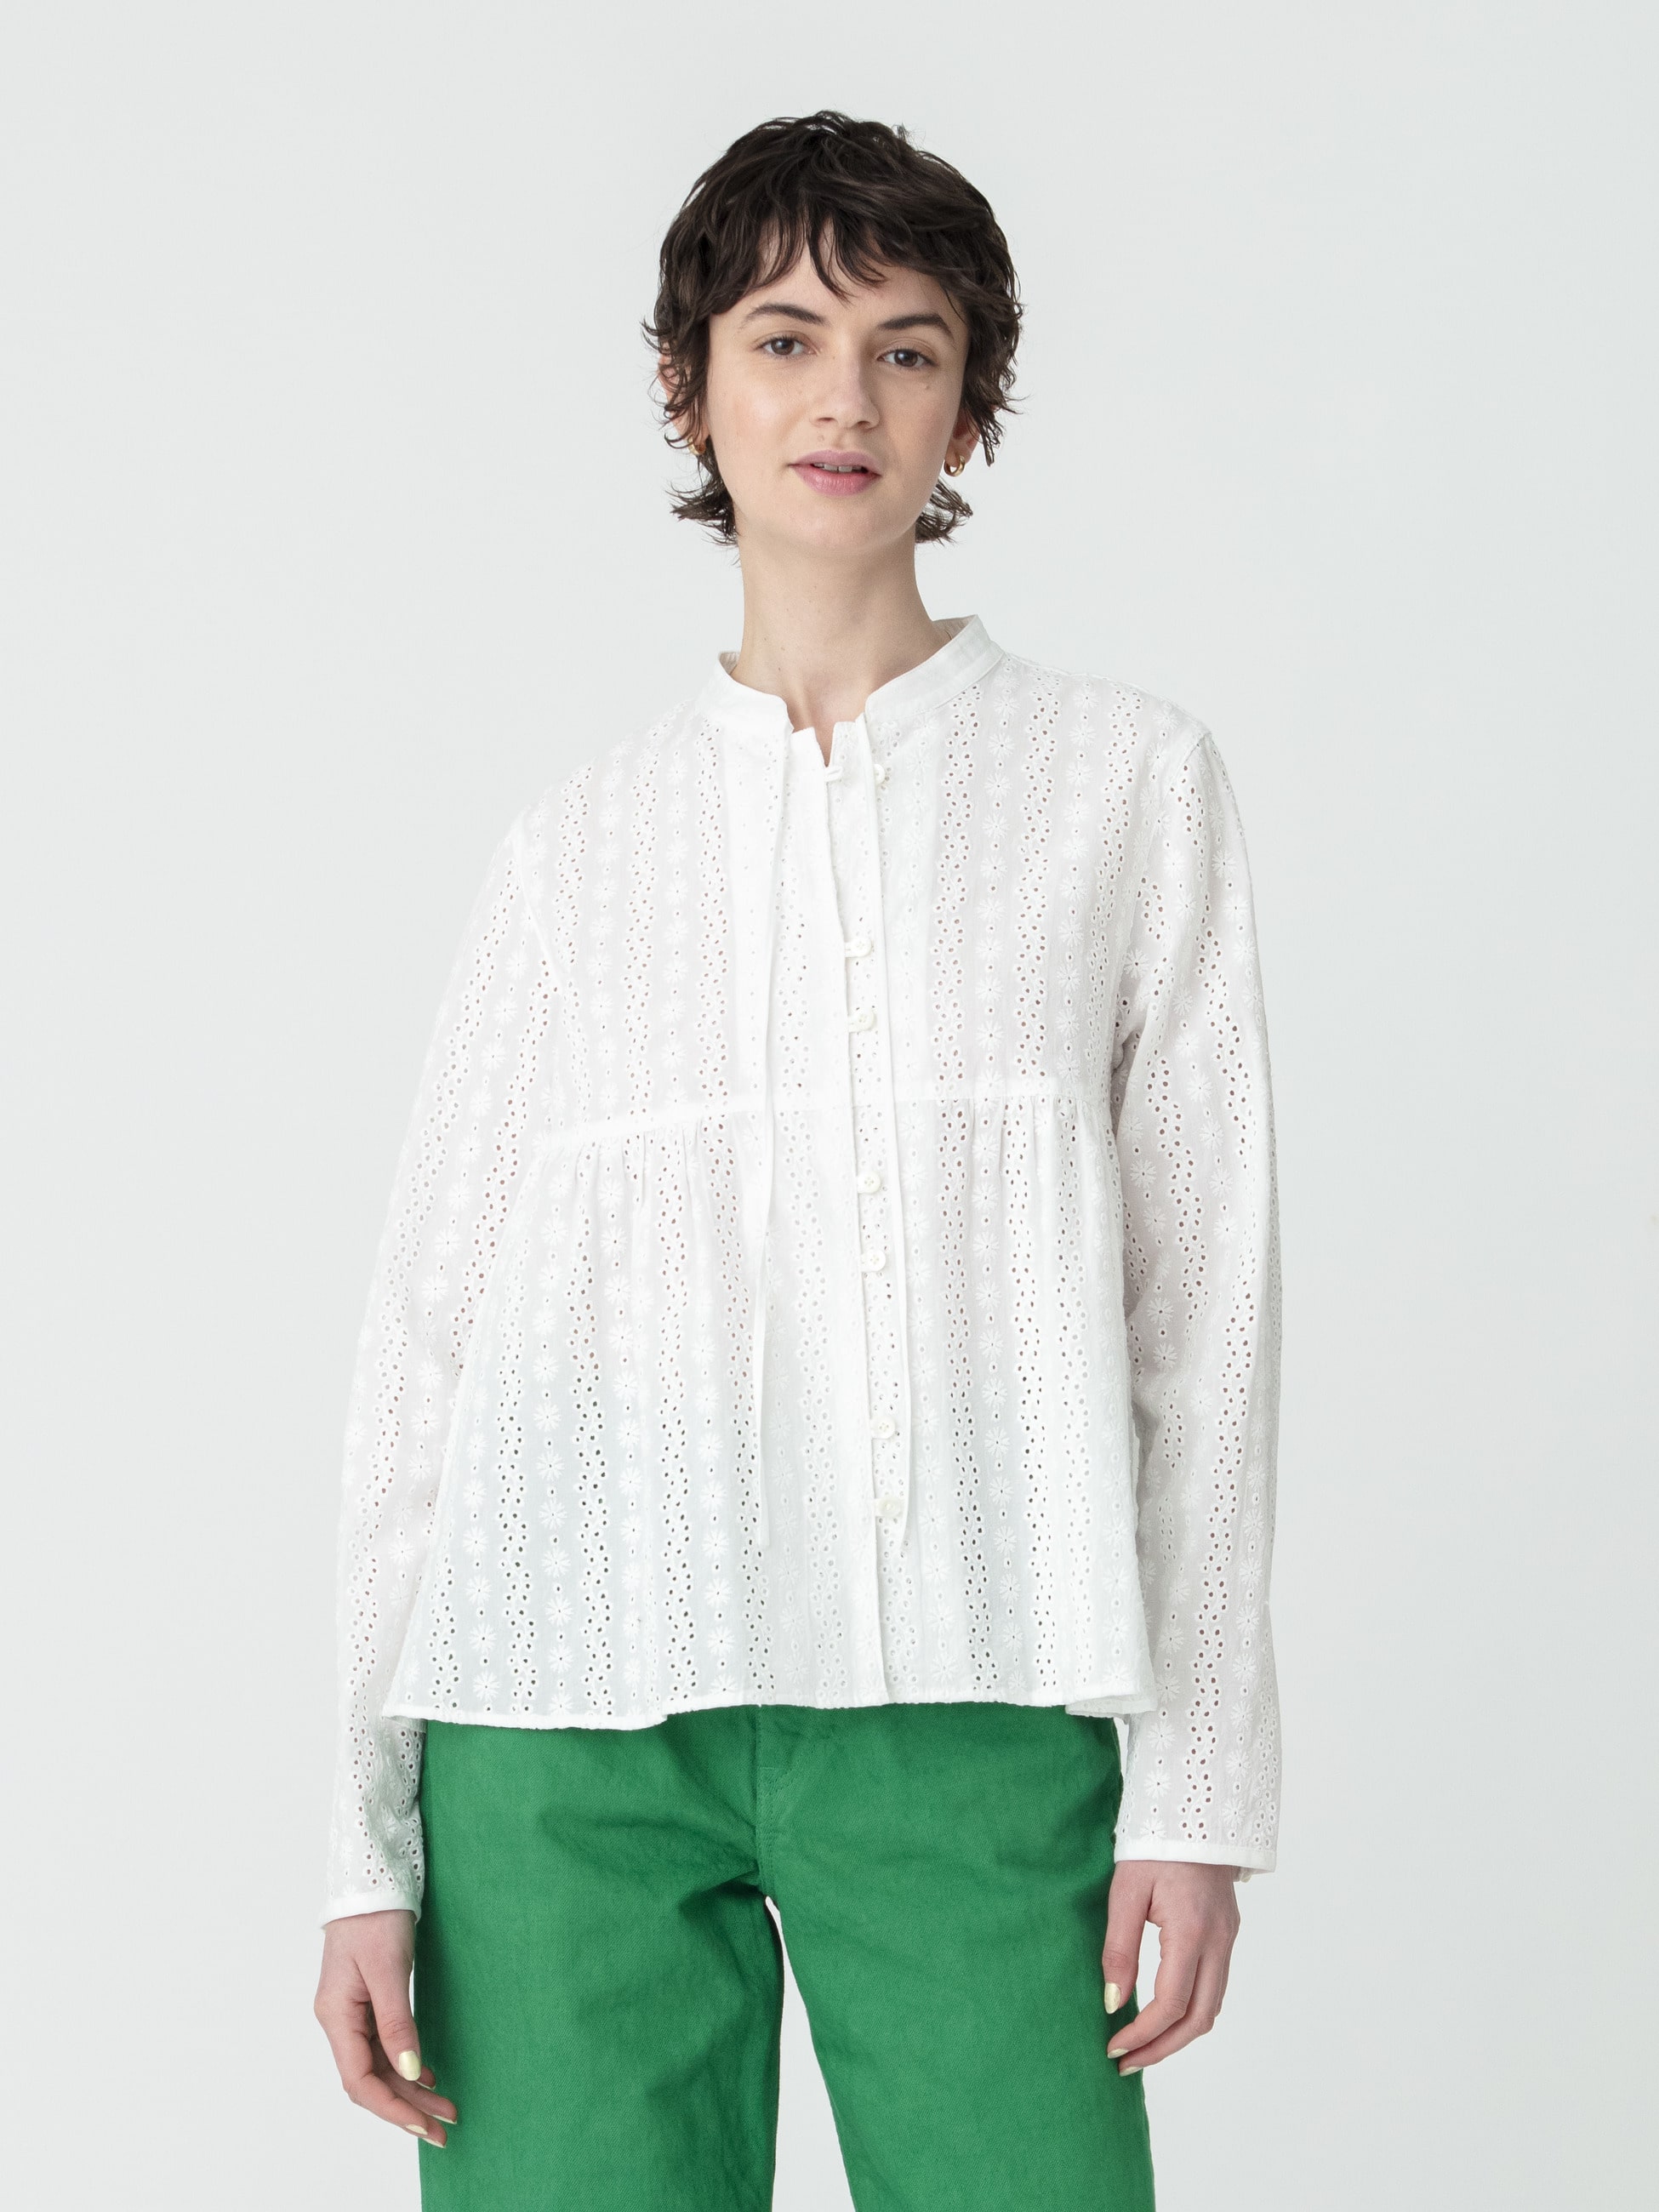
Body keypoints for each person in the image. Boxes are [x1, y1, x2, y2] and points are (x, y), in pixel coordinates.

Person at [314, 110, 1282, 2210]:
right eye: (782, 340)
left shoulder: (1123, 788)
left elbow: (1201, 1322)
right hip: (562, 1725)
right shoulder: (572, 853)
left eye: (906, 349)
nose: (843, 398)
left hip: (977, 1697)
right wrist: (360, 1840)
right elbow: (424, 1351)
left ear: (970, 407)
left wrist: (1196, 1783)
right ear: (692, 390)